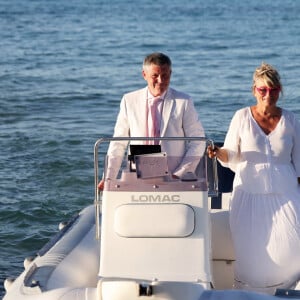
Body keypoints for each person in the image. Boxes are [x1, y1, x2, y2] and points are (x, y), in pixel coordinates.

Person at [208, 62, 300, 294]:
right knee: (250, 255)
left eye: (273, 89)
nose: (268, 94)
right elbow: (231, 154)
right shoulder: (241, 117)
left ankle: (286, 294)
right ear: (254, 90)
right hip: (248, 195)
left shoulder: (291, 120)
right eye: (263, 89)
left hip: (286, 196)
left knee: (291, 250)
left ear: (280, 91)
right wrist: (218, 153)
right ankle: (248, 295)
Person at [98, 52, 205, 190]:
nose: (160, 80)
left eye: (165, 75)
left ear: (170, 74)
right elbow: (118, 142)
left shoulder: (183, 101)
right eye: (155, 76)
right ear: (144, 75)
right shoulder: (129, 100)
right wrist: (109, 177)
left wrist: (180, 173)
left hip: (174, 177)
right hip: (137, 174)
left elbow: (198, 140)